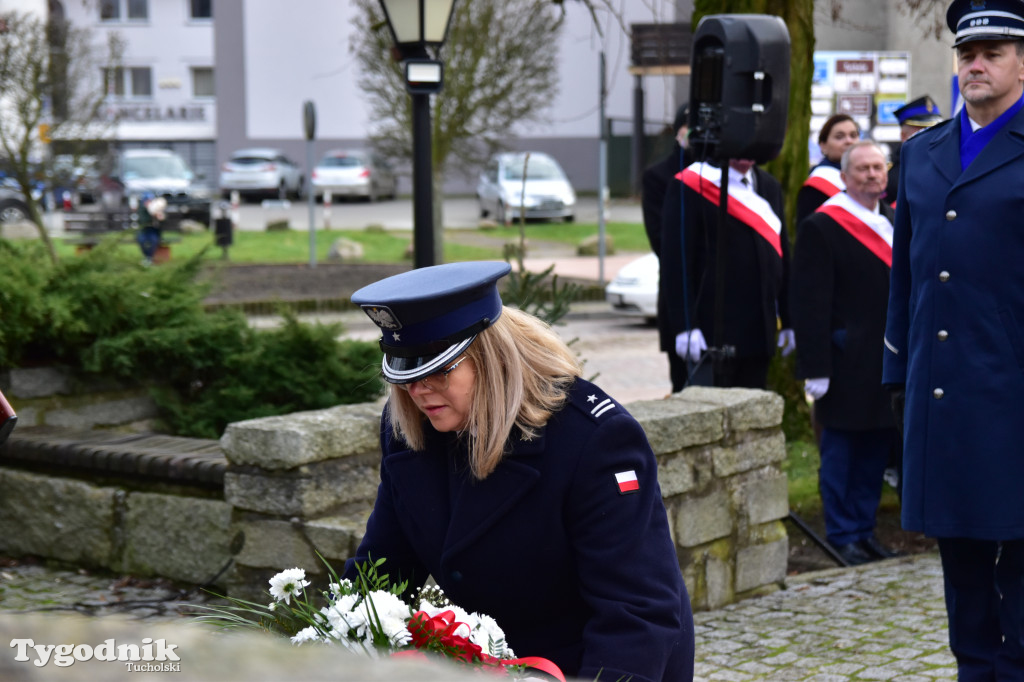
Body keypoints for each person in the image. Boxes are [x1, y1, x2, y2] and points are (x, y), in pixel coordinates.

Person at [345, 261, 695, 682]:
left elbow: (637, 612)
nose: (417, 390)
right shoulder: (409, 428)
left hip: (587, 663)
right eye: (406, 371)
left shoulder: (594, 441)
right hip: (489, 665)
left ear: (488, 357)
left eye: (437, 369)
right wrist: (333, 641)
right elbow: (382, 571)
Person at [884, 0, 1024, 678]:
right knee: (964, 578)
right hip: (944, 398)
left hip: (1016, 396)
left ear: (1022, 62)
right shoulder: (921, 154)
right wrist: (895, 379)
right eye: (967, 53)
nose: (975, 64)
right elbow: (904, 280)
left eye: (993, 52)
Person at [791, 141, 902, 566]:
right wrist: (814, 365)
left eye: (879, 167)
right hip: (842, 361)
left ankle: (865, 530)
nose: (873, 175)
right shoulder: (824, 225)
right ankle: (842, 534)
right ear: (844, 176)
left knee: (875, 449)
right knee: (841, 452)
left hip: (884, 359)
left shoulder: (891, 220)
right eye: (863, 169)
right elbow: (810, 301)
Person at [661, 158, 793, 390]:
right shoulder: (691, 184)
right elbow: (676, 260)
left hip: (759, 329)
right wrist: (685, 324)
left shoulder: (768, 185)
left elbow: (782, 254)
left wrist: (790, 318)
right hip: (711, 331)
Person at [642, 102, 694, 391]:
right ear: (678, 132)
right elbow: (662, 241)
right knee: (684, 383)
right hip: (681, 293)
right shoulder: (659, 176)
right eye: (689, 125)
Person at [795, 114, 861, 228]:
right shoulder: (816, 186)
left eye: (853, 135)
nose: (849, 141)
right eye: (839, 137)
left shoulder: (868, 176)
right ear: (823, 146)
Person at [885, 95, 944, 204]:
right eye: (922, 131)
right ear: (903, 136)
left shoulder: (949, 164)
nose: (930, 136)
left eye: (935, 130)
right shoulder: (888, 173)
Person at [136, 191, 166, 265]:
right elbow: (143, 221)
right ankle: (147, 257)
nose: (148, 202)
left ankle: (150, 258)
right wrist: (152, 215)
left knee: (154, 241)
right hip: (144, 230)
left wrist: (160, 217)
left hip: (153, 231)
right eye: (147, 200)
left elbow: (162, 221)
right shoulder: (142, 210)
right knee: (142, 240)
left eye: (150, 200)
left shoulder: (157, 209)